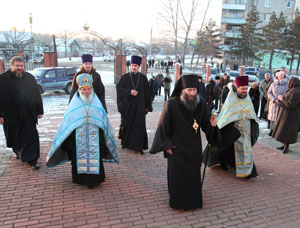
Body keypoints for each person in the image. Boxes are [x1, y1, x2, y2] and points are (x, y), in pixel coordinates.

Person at [150, 74, 220, 210]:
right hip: (176, 148)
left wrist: (212, 125)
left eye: (194, 90)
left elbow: (206, 124)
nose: (192, 93)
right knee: (178, 178)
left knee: (192, 177)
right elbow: (163, 127)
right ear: (182, 90)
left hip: (194, 148)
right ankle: (178, 203)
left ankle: (192, 202)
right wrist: (167, 145)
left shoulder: (201, 104)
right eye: (189, 90)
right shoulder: (171, 104)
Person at [46, 73, 119, 188]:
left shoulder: (97, 103)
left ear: (92, 89)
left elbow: (103, 121)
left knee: (96, 155)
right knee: (78, 156)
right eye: (84, 89)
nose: (86, 91)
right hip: (77, 139)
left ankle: (96, 179)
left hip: (95, 137)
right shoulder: (74, 104)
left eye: (89, 89)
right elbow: (68, 123)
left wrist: (102, 136)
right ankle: (80, 179)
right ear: (79, 89)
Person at [0, 56, 43, 169]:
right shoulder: (3, 79)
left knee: (31, 136)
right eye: (17, 66)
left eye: (21, 66)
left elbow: (36, 95)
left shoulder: (29, 78)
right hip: (11, 115)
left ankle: (32, 160)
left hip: (28, 114)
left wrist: (39, 111)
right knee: (15, 137)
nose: (19, 68)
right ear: (12, 66)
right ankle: (18, 150)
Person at [216, 76, 259, 179]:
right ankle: (225, 163)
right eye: (242, 89)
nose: (245, 91)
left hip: (246, 130)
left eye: (246, 88)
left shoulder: (247, 99)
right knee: (230, 149)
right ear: (237, 88)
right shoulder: (231, 99)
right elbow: (226, 115)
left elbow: (251, 113)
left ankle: (247, 171)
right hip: (233, 131)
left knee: (245, 150)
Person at [116, 56, 152, 154]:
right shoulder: (125, 77)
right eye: (132, 65)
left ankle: (139, 146)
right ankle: (125, 143)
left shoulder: (143, 78)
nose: (134, 67)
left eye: (136, 65)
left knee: (139, 126)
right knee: (127, 124)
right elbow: (119, 89)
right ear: (130, 66)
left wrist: (148, 106)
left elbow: (148, 93)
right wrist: (129, 92)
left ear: (139, 66)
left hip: (140, 106)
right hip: (128, 106)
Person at [272, 77, 300, 154]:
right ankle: (284, 144)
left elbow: (290, 104)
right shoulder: (292, 90)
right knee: (284, 130)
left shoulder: (297, 92)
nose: (288, 83)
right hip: (286, 114)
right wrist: (281, 100)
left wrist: (281, 99)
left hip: (291, 115)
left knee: (288, 131)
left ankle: (286, 147)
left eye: (289, 82)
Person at [267, 71, 289, 136]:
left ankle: (278, 131)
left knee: (280, 118)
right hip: (274, 103)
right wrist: (274, 99)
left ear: (284, 76)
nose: (281, 77)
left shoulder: (287, 84)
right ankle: (272, 130)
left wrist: (283, 99)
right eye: (280, 75)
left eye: (282, 75)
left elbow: (289, 93)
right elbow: (269, 93)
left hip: (282, 104)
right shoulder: (273, 84)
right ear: (277, 76)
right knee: (272, 117)